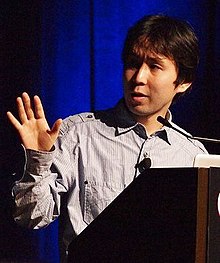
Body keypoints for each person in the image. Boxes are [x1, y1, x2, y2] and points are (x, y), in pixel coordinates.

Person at [7, 14, 208, 261]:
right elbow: (31, 216)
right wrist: (38, 160)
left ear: (184, 82)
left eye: (154, 66)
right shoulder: (78, 134)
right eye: (133, 63)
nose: (139, 78)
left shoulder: (193, 155)